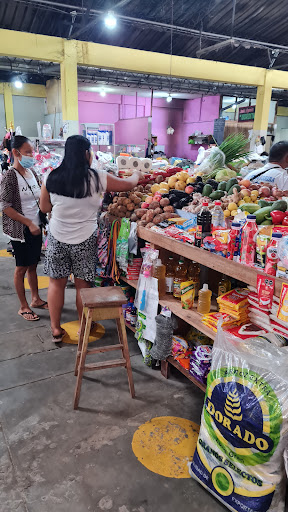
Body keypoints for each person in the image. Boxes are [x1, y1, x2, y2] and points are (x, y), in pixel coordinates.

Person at [40, 135, 142, 342]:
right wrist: (137, 173)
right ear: (87, 154)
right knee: (83, 287)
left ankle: (55, 329)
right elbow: (128, 184)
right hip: (85, 239)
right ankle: (82, 327)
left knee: (56, 284)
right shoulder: (98, 178)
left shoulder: (51, 177)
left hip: (58, 237)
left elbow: (44, 208)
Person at [0, 135, 48, 321]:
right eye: (28, 152)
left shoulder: (32, 173)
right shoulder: (10, 177)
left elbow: (39, 198)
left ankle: (35, 299)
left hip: (35, 227)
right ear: (15, 152)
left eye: (32, 152)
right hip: (20, 230)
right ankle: (23, 306)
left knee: (33, 265)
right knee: (21, 267)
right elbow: (5, 206)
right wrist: (28, 222)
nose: (32, 155)